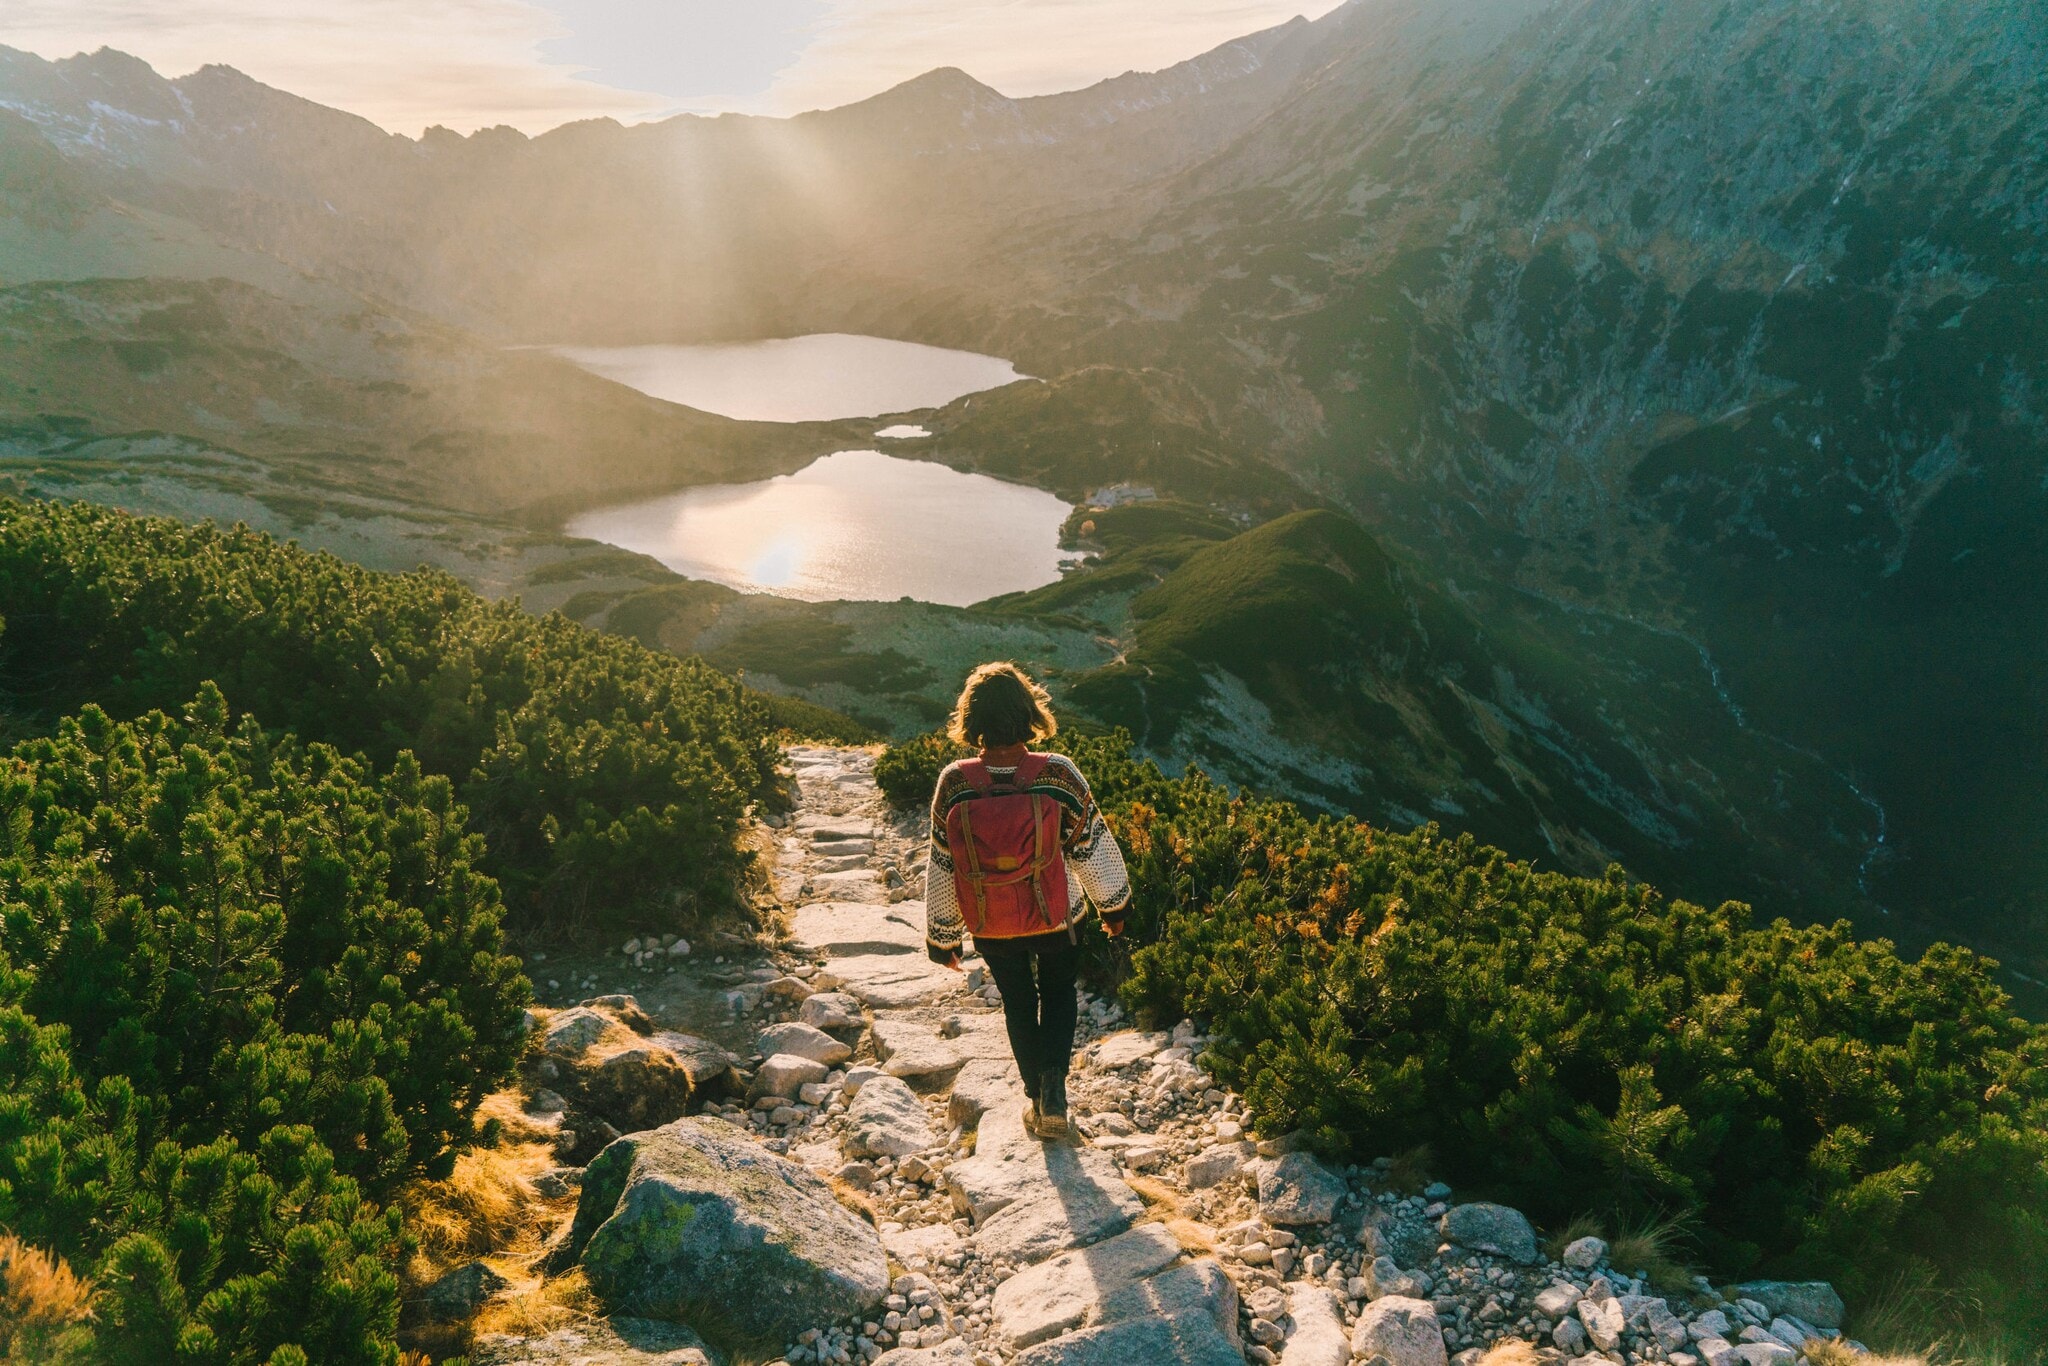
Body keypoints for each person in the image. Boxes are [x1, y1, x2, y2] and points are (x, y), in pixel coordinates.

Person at [924, 662, 1131, 1140]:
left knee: (1018, 1004)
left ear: (972, 719)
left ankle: (1036, 1100)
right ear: (1028, 712)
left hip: (991, 923)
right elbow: (1090, 844)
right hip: (1057, 916)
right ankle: (1055, 1094)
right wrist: (1114, 907)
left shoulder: (954, 782)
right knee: (1058, 995)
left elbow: (942, 862)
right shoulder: (1057, 773)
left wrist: (943, 937)